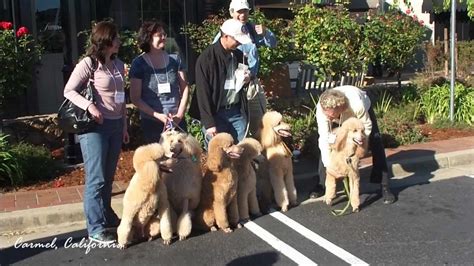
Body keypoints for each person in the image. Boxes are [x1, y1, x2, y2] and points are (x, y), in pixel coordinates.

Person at [63, 21, 129, 244]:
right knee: (96, 178)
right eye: (116, 38)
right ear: (106, 41)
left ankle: (107, 215)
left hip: (115, 125)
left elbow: (121, 98)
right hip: (94, 129)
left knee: (108, 177)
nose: (120, 42)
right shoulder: (88, 64)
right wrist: (90, 106)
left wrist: (124, 126)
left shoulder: (118, 65)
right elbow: (69, 91)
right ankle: (95, 228)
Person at [309, 85, 396, 204]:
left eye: (330, 115)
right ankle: (321, 184)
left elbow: (367, 127)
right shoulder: (322, 109)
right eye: (326, 114)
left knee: (376, 140)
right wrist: (329, 166)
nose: (327, 117)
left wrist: (360, 143)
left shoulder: (357, 105)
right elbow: (324, 138)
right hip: (339, 114)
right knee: (329, 144)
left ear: (339, 108)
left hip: (359, 112)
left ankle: (384, 185)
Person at [213, 0, 277, 137]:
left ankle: (257, 154)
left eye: (245, 11)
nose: (243, 15)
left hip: (252, 83)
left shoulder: (251, 29)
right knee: (240, 124)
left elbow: (272, 44)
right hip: (234, 86)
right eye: (239, 12)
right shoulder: (225, 33)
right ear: (232, 13)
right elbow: (215, 56)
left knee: (259, 121)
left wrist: (265, 33)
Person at [189, 19, 252, 145]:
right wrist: (209, 123)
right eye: (236, 39)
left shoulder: (239, 55)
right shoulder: (206, 58)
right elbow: (202, 92)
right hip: (215, 113)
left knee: (242, 151)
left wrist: (248, 79)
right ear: (226, 36)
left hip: (236, 111)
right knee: (219, 156)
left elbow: (243, 81)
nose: (239, 43)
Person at [130, 20, 189, 144]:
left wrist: (179, 114)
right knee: (159, 160)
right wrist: (157, 115)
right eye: (159, 35)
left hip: (177, 120)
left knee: (182, 160)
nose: (164, 37)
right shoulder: (139, 64)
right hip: (153, 123)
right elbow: (135, 98)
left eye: (164, 34)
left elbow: (185, 88)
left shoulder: (175, 59)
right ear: (148, 38)